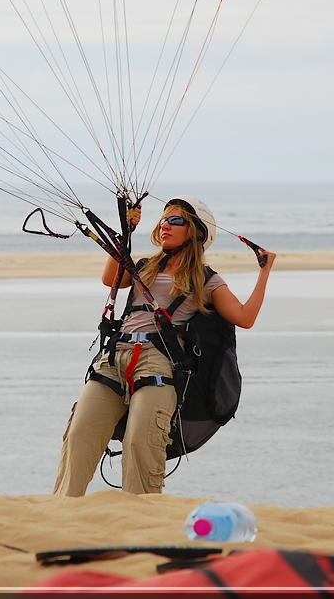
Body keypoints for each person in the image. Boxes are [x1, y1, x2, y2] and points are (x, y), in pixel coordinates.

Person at [53, 195, 276, 496]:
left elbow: (244, 318)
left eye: (176, 220)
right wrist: (127, 231)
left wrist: (265, 271)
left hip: (157, 364)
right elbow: (111, 279)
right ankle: (63, 511)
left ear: (196, 232)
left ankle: (142, 522)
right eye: (164, 219)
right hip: (115, 360)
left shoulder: (208, 281)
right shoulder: (143, 266)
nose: (166, 225)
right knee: (80, 434)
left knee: (140, 442)